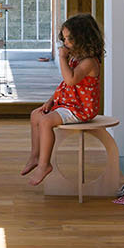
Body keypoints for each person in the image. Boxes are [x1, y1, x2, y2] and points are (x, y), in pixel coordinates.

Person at [23, 13, 104, 187]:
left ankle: (44, 165)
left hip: (81, 109)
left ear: (83, 39)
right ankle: (35, 156)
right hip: (68, 104)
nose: (65, 43)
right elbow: (65, 86)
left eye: (69, 39)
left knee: (45, 122)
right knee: (35, 115)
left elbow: (71, 80)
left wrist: (61, 58)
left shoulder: (89, 62)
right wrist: (51, 101)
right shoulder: (76, 59)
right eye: (64, 38)